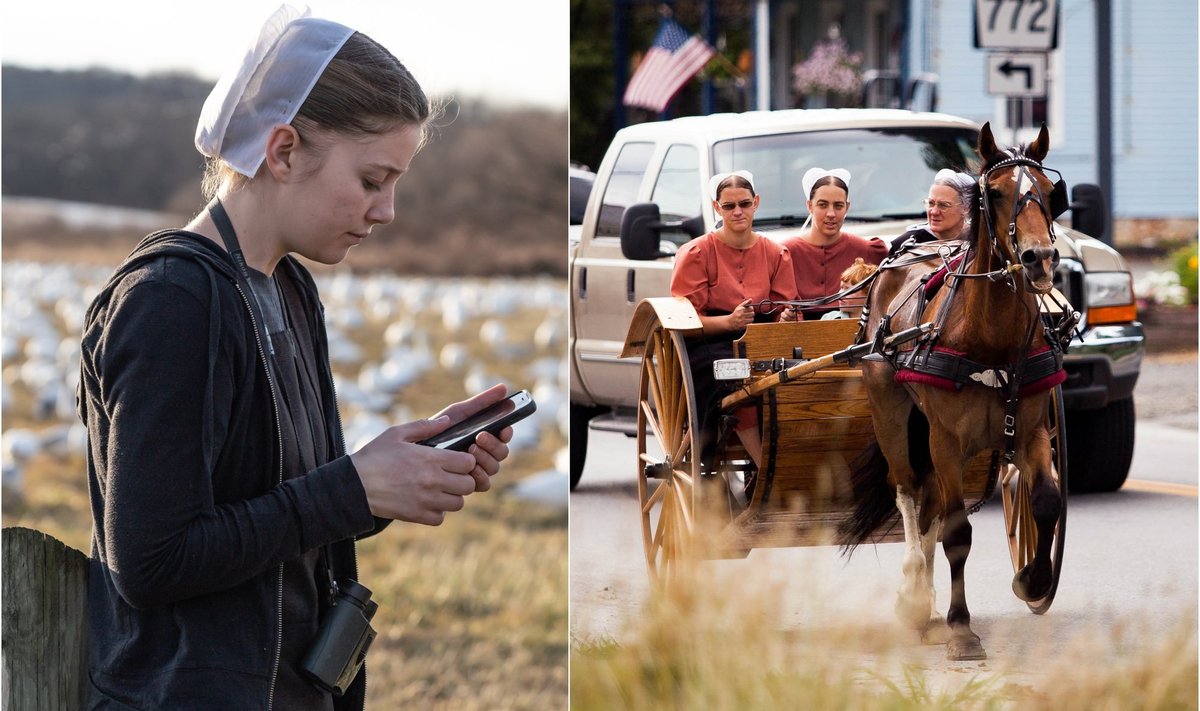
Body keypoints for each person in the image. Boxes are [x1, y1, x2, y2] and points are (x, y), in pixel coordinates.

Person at [77, 7, 514, 710]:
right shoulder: (171, 301)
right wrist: (351, 488)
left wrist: (397, 472)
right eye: (373, 179)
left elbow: (282, 510)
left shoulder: (288, 284)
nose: (388, 210)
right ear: (282, 151)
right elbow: (152, 561)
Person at [669, 170, 798, 470]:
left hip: (763, 336)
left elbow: (785, 306)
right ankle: (767, 470)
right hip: (709, 338)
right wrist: (728, 323)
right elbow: (684, 318)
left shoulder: (776, 253)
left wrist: (786, 317)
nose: (737, 211)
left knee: (796, 374)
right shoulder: (697, 252)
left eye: (744, 203)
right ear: (717, 208)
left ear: (756, 203)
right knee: (734, 379)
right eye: (729, 206)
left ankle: (793, 465)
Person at [781, 167, 887, 319]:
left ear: (847, 207)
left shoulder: (869, 251)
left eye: (838, 206)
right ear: (809, 206)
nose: (831, 214)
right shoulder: (786, 253)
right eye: (822, 205)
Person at [888, 168, 976, 255]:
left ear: (966, 208)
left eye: (943, 205)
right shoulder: (905, 245)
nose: (934, 212)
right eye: (931, 203)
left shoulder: (979, 241)